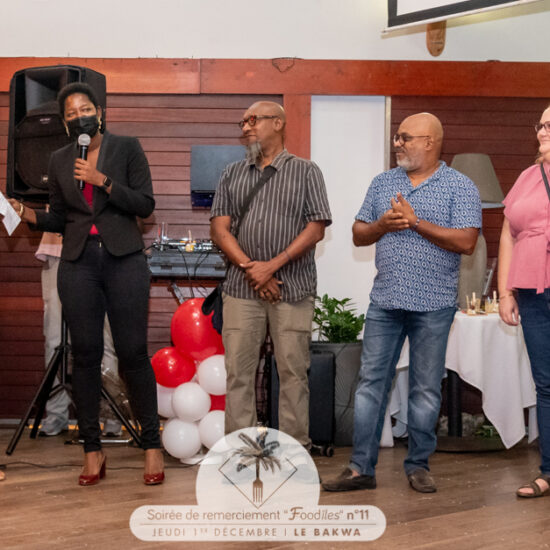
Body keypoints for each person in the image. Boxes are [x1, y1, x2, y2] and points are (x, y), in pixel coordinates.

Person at [9, 82, 163, 486]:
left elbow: (145, 205)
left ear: (100, 112)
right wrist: (28, 213)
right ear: (65, 124)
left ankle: (152, 445)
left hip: (124, 260)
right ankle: (92, 450)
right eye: (72, 114)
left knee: (132, 353)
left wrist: (103, 181)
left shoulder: (127, 148)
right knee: (85, 356)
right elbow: (61, 218)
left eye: (85, 109)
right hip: (78, 263)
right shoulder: (60, 159)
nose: (80, 117)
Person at [323, 113, 481, 493]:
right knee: (370, 384)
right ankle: (360, 468)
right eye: (397, 137)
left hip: (434, 304)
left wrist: (415, 222)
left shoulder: (460, 186)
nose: (398, 143)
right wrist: (382, 225)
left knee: (425, 389)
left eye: (405, 137)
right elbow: (359, 233)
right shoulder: (383, 183)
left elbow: (466, 242)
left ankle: (418, 465)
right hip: (386, 302)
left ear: (430, 142)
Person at [210, 101, 332, 448]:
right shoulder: (232, 173)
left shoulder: (307, 171)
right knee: (238, 374)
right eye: (243, 122)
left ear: (278, 123)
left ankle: (294, 451)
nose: (246, 127)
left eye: (253, 120)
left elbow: (316, 228)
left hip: (292, 288)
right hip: (241, 289)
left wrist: (272, 266)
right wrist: (254, 270)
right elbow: (219, 230)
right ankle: (240, 451)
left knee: (293, 373)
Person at [498, 106, 550, 498]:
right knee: (546, 384)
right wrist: (506, 292)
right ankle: (549, 471)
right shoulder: (528, 177)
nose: (541, 132)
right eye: (541, 125)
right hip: (532, 289)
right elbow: (508, 234)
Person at [36, 231, 122, 438]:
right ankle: (56, 414)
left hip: (101, 251)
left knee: (105, 340)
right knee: (55, 340)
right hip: (57, 251)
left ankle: (111, 414)